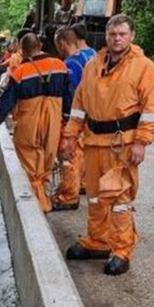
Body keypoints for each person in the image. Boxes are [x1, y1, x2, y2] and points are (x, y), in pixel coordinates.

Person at [60, 14, 154, 276]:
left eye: (122, 34)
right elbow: (80, 105)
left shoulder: (143, 67)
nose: (117, 39)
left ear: (131, 36)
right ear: (106, 36)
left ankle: (120, 249)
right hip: (93, 142)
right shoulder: (93, 66)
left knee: (119, 198)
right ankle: (98, 241)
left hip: (123, 144)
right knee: (95, 196)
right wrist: (71, 136)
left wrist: (142, 141)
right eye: (113, 34)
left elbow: (151, 109)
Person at [0, 33, 71, 213]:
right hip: (53, 121)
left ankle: (39, 205)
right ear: (40, 45)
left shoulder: (21, 72)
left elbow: (6, 102)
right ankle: (43, 197)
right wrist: (67, 121)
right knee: (47, 160)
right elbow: (69, 96)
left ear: (23, 50)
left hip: (29, 122)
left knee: (30, 163)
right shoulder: (60, 66)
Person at [52, 26, 96, 211]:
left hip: (75, 115)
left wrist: (65, 117)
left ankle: (69, 195)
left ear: (62, 43)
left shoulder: (71, 64)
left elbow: (70, 93)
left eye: (57, 46)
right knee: (84, 150)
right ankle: (83, 183)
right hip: (92, 113)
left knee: (68, 153)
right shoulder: (92, 55)